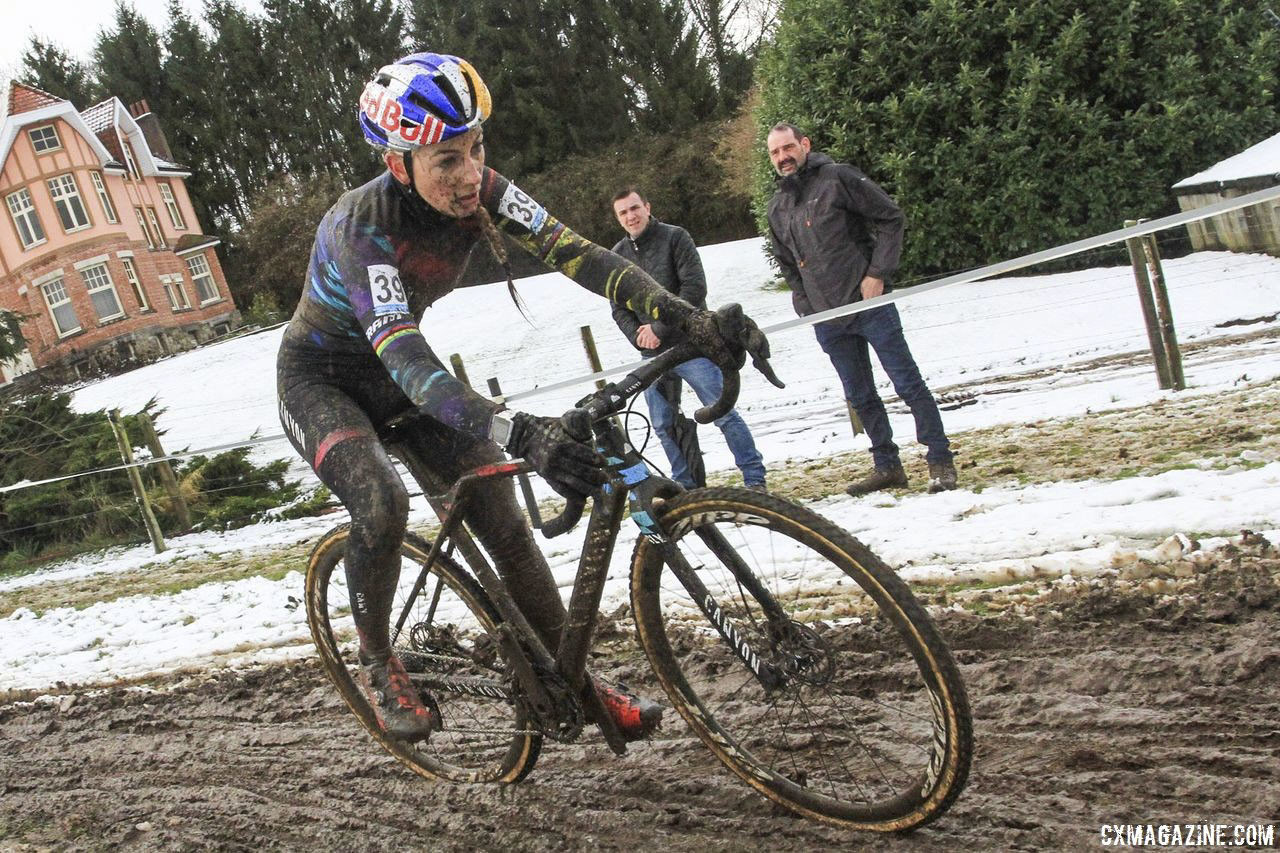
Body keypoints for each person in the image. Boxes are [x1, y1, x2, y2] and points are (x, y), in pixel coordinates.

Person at [277, 53, 758, 742]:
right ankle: (379, 659)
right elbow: (409, 363)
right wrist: (518, 430)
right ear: (397, 163)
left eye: (477, 148)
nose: (471, 173)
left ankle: (578, 684)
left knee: (506, 525)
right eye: (447, 160)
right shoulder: (363, 229)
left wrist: (689, 318)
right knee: (383, 500)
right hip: (322, 381)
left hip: (404, 375)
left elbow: (584, 254)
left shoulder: (484, 191)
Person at [764, 123, 957, 496]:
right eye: (775, 152)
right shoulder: (777, 208)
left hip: (870, 305)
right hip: (827, 318)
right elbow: (787, 263)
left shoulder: (838, 178)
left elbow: (890, 218)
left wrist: (877, 274)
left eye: (788, 147)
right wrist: (804, 303)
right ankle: (887, 466)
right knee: (860, 395)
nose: (783, 157)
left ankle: (939, 459)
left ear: (805, 145)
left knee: (907, 383)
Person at [609, 188, 767, 492]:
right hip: (651, 355)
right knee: (663, 426)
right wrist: (640, 339)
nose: (631, 216)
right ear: (618, 219)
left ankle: (754, 478)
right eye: (623, 213)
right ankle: (685, 487)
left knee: (722, 412)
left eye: (634, 208)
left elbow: (693, 288)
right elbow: (618, 307)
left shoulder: (675, 237)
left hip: (692, 345)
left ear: (647, 206)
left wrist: (660, 329)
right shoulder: (617, 256)